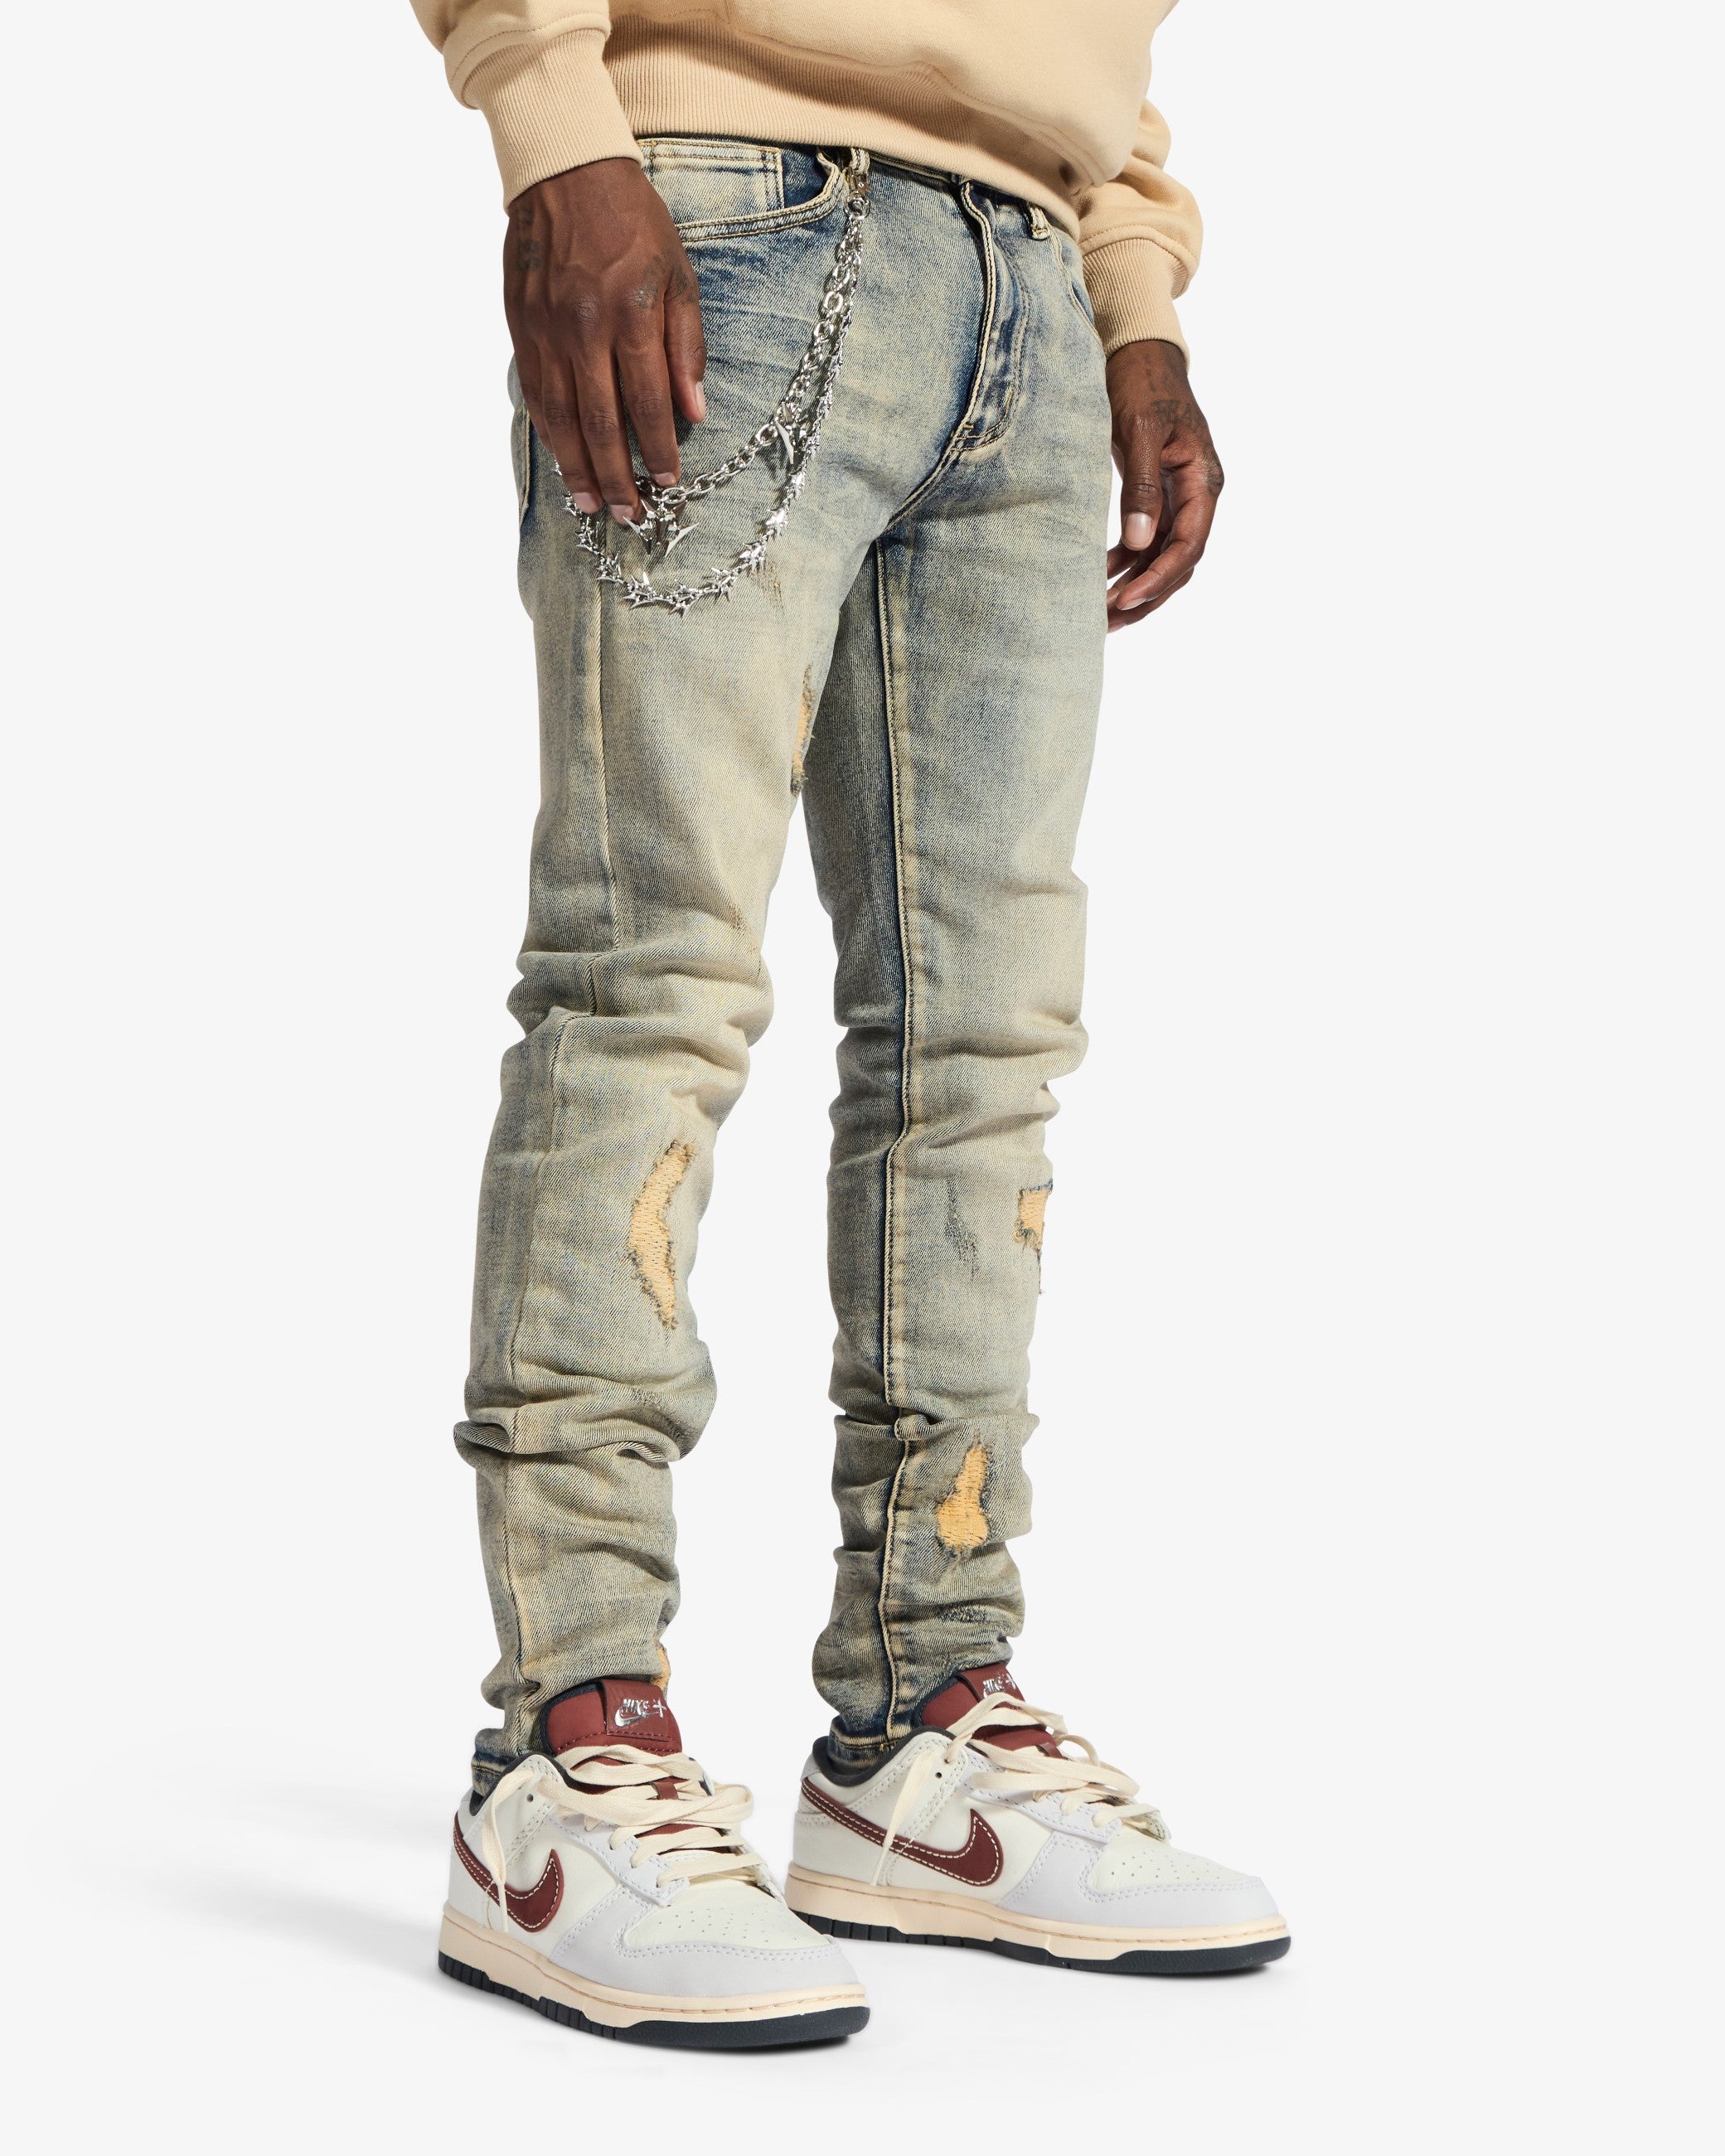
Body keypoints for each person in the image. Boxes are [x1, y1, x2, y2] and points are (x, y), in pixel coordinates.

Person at [411, 0, 1287, 2047]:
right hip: (719, 209)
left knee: (984, 1052)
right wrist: (559, 132)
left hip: (1037, 275)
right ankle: (567, 1748)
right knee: (649, 983)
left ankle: (922, 1725)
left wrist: (1133, 293)